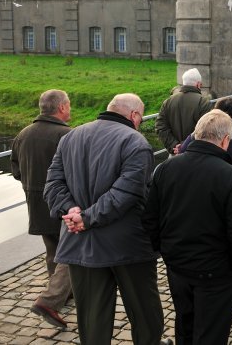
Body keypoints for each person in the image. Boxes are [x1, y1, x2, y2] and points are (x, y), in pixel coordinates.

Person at [44, 93, 168, 345]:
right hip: (127, 245)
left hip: (80, 244)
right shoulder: (136, 142)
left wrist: (72, 211)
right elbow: (127, 193)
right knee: (144, 313)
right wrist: (85, 218)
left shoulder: (70, 137)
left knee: (91, 318)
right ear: (134, 115)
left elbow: (52, 185)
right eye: (141, 118)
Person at [143, 109, 232, 345]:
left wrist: (164, 251)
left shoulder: (165, 169)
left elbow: (150, 218)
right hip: (217, 272)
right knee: (211, 333)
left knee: (185, 325)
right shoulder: (231, 177)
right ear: (225, 140)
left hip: (178, 266)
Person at [10, 89, 72, 329]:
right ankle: (52, 298)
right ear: (61, 108)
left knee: (52, 249)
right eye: (68, 105)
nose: (70, 108)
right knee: (72, 250)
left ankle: (61, 291)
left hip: (35, 202)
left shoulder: (23, 134)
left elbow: (15, 169)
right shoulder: (67, 135)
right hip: (63, 202)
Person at [178, 97, 232, 168]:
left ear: (214, 109)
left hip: (199, 171)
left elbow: (183, 150)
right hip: (229, 174)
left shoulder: (200, 130)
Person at [155, 68, 211, 154]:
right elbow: (205, 130)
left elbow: (160, 126)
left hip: (175, 154)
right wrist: (183, 146)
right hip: (195, 154)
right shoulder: (203, 102)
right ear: (198, 84)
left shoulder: (168, 101)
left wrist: (174, 145)